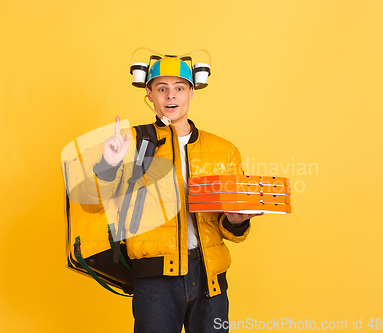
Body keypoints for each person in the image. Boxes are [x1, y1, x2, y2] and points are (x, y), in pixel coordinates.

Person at [92, 57, 264, 333]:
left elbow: (231, 224)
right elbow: (99, 204)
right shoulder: (131, 142)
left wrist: (236, 221)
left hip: (209, 274)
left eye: (179, 88)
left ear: (191, 92)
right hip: (155, 279)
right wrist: (108, 166)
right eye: (161, 88)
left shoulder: (224, 150)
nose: (171, 95)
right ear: (148, 94)